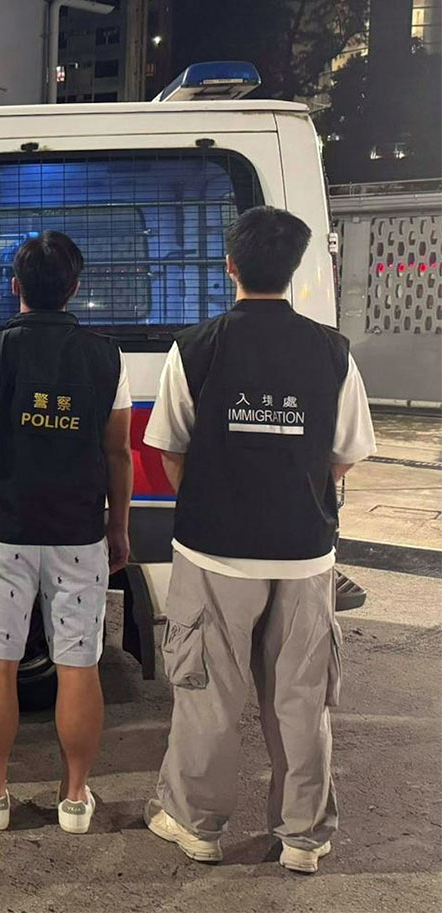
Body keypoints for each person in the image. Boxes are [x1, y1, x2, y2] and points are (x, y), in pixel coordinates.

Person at [141, 206, 376, 874]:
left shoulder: (195, 347)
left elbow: (170, 449)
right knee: (301, 700)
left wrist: (216, 496)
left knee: (208, 693)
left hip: (212, 551)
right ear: (294, 268)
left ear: (229, 266)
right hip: (305, 555)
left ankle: (196, 826)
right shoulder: (333, 352)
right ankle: (302, 835)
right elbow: (343, 454)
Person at [0, 231, 134, 834]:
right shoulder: (108, 356)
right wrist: (118, 525)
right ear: (75, 287)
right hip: (79, 531)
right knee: (79, 663)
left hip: (3, 530)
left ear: (15, 285)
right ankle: (75, 799)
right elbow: (118, 451)